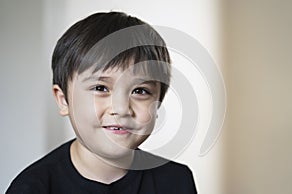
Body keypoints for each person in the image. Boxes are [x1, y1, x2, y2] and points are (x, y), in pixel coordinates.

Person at [6, 11, 197, 194]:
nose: (121, 109)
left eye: (140, 91)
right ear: (64, 100)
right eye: (101, 88)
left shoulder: (176, 181)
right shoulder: (31, 188)